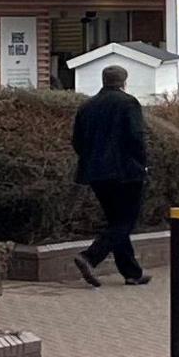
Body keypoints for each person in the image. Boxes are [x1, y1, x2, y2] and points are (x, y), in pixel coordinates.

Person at [72, 65, 152, 287]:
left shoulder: (87, 106)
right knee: (125, 221)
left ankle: (131, 272)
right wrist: (142, 164)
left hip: (95, 173)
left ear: (103, 80)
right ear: (124, 81)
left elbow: (77, 141)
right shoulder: (128, 103)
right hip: (126, 172)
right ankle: (90, 257)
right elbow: (136, 137)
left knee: (116, 222)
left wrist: (90, 161)